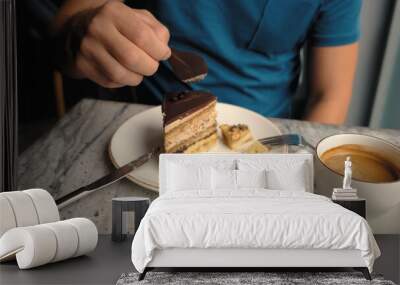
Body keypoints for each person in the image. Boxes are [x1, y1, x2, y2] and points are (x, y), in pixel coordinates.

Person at [51, 0, 361, 124]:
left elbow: (329, 95)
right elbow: (66, 28)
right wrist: (81, 31)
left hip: (265, 137)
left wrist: (299, 170)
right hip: (146, 123)